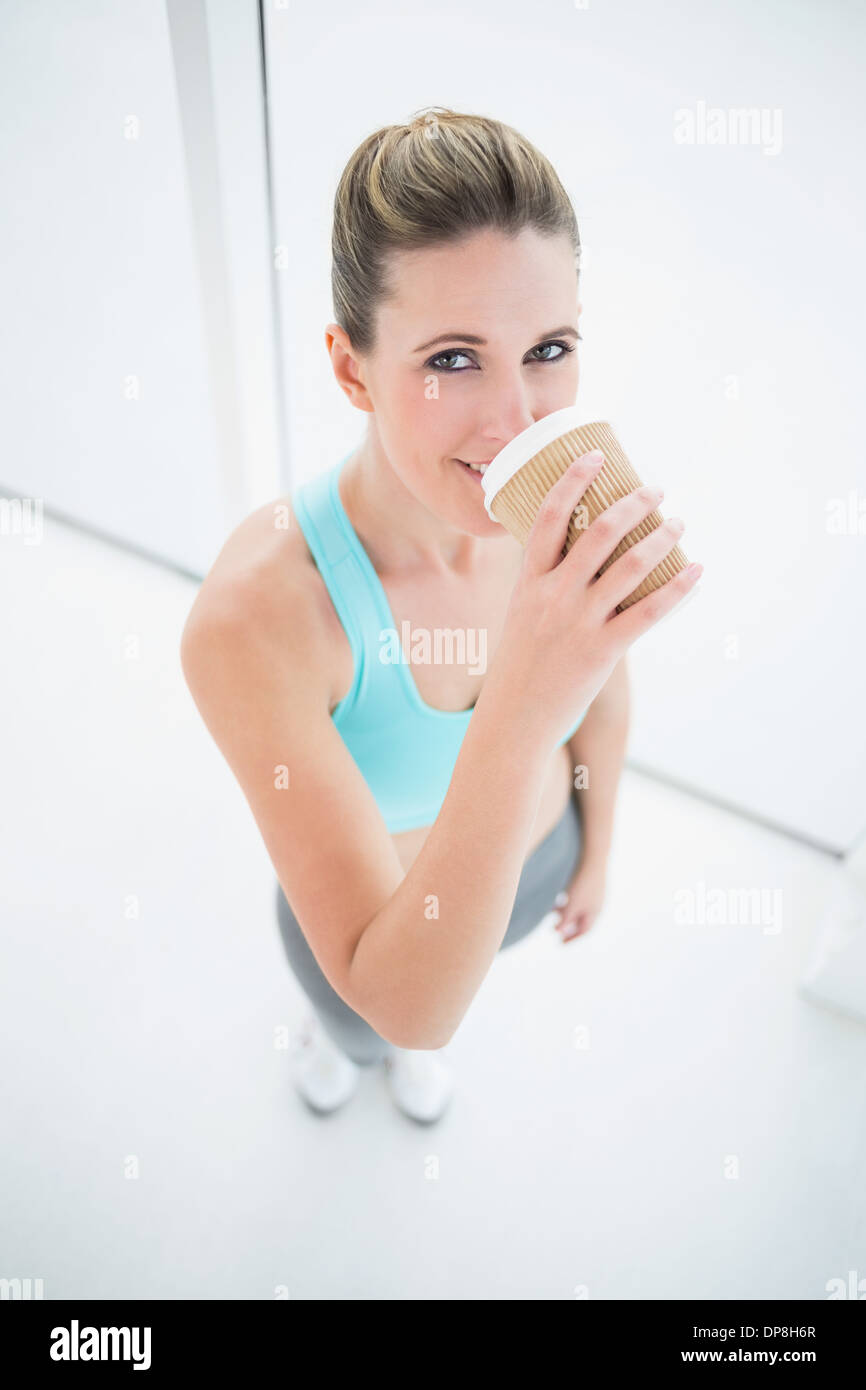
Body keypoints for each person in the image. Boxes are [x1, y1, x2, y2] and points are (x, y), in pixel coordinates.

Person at [180, 107, 700, 1125]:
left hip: (534, 856)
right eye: (452, 359)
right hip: (382, 930)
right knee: (375, 1028)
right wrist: (520, 699)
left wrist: (594, 844)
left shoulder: (557, 495)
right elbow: (405, 991)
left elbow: (603, 682)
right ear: (349, 369)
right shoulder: (255, 618)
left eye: (546, 347)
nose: (516, 421)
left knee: (461, 980)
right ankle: (337, 1047)